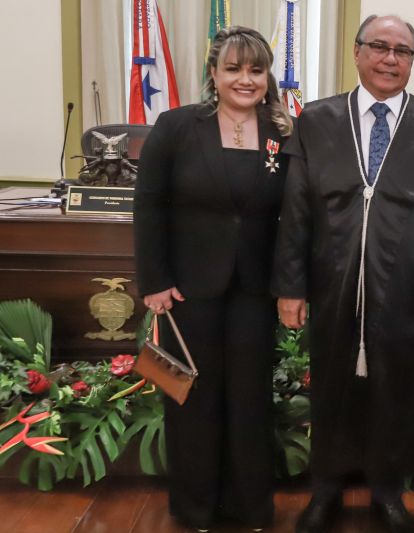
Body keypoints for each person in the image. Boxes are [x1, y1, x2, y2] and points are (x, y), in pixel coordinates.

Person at [272, 14, 414, 533]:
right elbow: (295, 210)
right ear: (357, 53)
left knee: (397, 389)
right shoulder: (317, 120)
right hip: (331, 282)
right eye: (379, 47)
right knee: (332, 386)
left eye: (402, 51)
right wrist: (289, 286)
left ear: (411, 62)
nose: (390, 59)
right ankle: (326, 490)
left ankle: (387, 491)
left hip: (407, 286)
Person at [134, 26, 293, 531]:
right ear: (213, 73)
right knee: (193, 399)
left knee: (249, 400)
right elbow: (149, 205)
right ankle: (195, 507)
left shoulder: (284, 132)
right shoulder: (177, 126)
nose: (245, 79)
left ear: (268, 76)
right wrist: (154, 280)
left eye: (256, 69)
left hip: (254, 290)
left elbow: (295, 215)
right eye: (233, 68)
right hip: (187, 289)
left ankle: (249, 507)